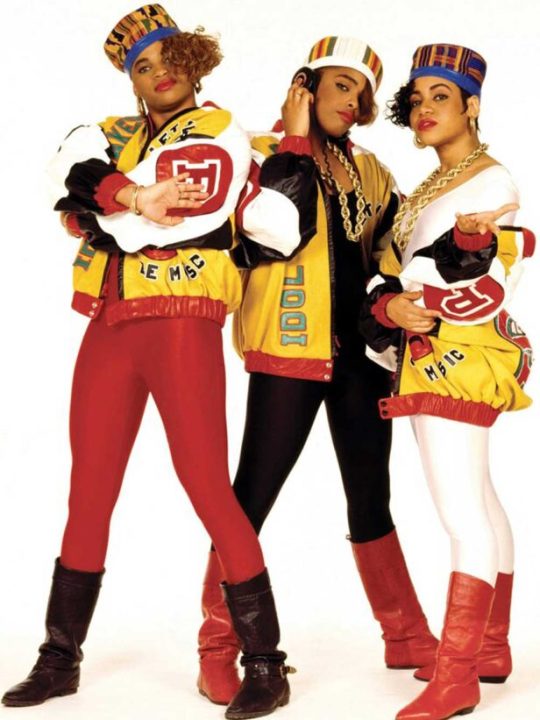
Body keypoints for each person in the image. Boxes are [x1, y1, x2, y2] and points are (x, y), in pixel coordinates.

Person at [2, 6, 295, 718]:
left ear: (194, 65)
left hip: (182, 319)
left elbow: (190, 212)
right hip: (110, 321)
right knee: (88, 490)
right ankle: (59, 657)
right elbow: (62, 178)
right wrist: (131, 197)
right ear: (130, 82)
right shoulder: (111, 135)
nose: (159, 72)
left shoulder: (221, 131)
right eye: (142, 66)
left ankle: (264, 662)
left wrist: (101, 210)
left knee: (206, 485)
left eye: (170, 58)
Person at [196, 36, 438, 707]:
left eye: (362, 93)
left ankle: (404, 634)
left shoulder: (371, 171)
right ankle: (216, 647)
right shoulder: (259, 152)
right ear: (306, 86)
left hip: (360, 355)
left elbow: (394, 247)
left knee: (371, 493)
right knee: (250, 498)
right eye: (341, 85)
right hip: (288, 347)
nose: (353, 101)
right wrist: (295, 136)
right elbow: (275, 231)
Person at [360, 44, 535, 720]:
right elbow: (399, 273)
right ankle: (489, 647)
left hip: (456, 355)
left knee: (461, 512)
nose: (426, 108)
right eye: (417, 99)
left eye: (442, 96)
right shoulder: (431, 186)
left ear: (473, 105)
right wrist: (390, 305)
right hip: (430, 350)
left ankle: (457, 674)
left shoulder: (490, 181)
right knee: (481, 499)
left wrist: (459, 255)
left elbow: (486, 269)